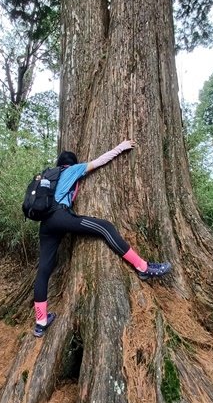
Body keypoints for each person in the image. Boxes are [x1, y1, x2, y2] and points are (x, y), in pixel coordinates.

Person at [33, 140, 171, 337]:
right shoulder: (71, 170)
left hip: (46, 224)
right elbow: (99, 161)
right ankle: (143, 267)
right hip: (60, 217)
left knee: (44, 270)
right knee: (105, 227)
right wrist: (120, 147)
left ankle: (40, 321)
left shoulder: (48, 178)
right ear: (71, 163)